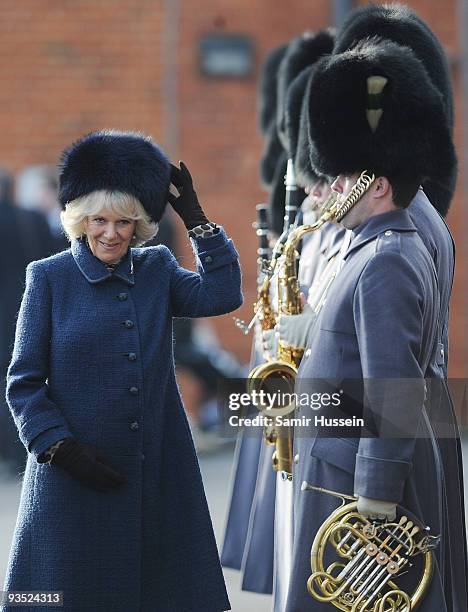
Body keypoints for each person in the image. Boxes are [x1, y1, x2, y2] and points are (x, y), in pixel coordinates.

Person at [2, 130, 242, 612]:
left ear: (139, 226)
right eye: (98, 220)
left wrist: (197, 221)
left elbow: (222, 295)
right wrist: (58, 447)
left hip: (154, 470)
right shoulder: (48, 277)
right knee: (60, 597)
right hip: (69, 475)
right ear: (79, 220)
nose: (110, 233)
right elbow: (23, 383)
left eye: (123, 221)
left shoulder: (156, 269)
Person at [284, 36, 464, 612]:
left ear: (378, 184)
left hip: (358, 484)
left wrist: (376, 497)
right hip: (336, 463)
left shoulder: (386, 258)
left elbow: (395, 389)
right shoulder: (365, 248)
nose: (333, 187)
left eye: (344, 176)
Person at [0, 167, 54, 474]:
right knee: (30, 378)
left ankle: (10, 454)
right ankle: (31, 446)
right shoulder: (30, 218)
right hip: (29, 307)